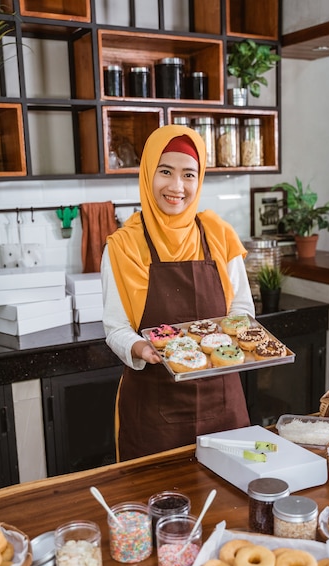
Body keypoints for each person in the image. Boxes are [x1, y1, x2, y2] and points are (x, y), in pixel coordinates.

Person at [101, 124, 255, 461]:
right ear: (147, 174)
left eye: (188, 174)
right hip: (153, 413)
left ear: (199, 180)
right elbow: (115, 328)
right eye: (165, 172)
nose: (176, 186)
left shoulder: (219, 234)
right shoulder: (122, 247)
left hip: (223, 406)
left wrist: (235, 335)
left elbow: (242, 307)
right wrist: (140, 347)